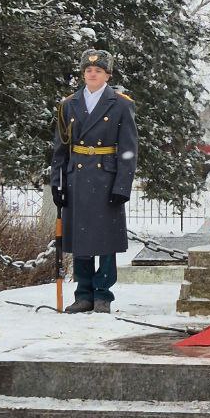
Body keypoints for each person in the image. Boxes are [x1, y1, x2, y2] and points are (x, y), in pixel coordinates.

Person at [50, 50, 137, 314]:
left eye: (98, 70)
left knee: (105, 240)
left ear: (107, 75)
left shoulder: (121, 104)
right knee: (81, 239)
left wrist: (122, 186)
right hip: (77, 177)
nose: (92, 74)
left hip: (106, 178)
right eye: (88, 71)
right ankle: (83, 294)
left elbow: (128, 148)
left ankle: (103, 295)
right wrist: (58, 183)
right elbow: (60, 148)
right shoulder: (68, 104)